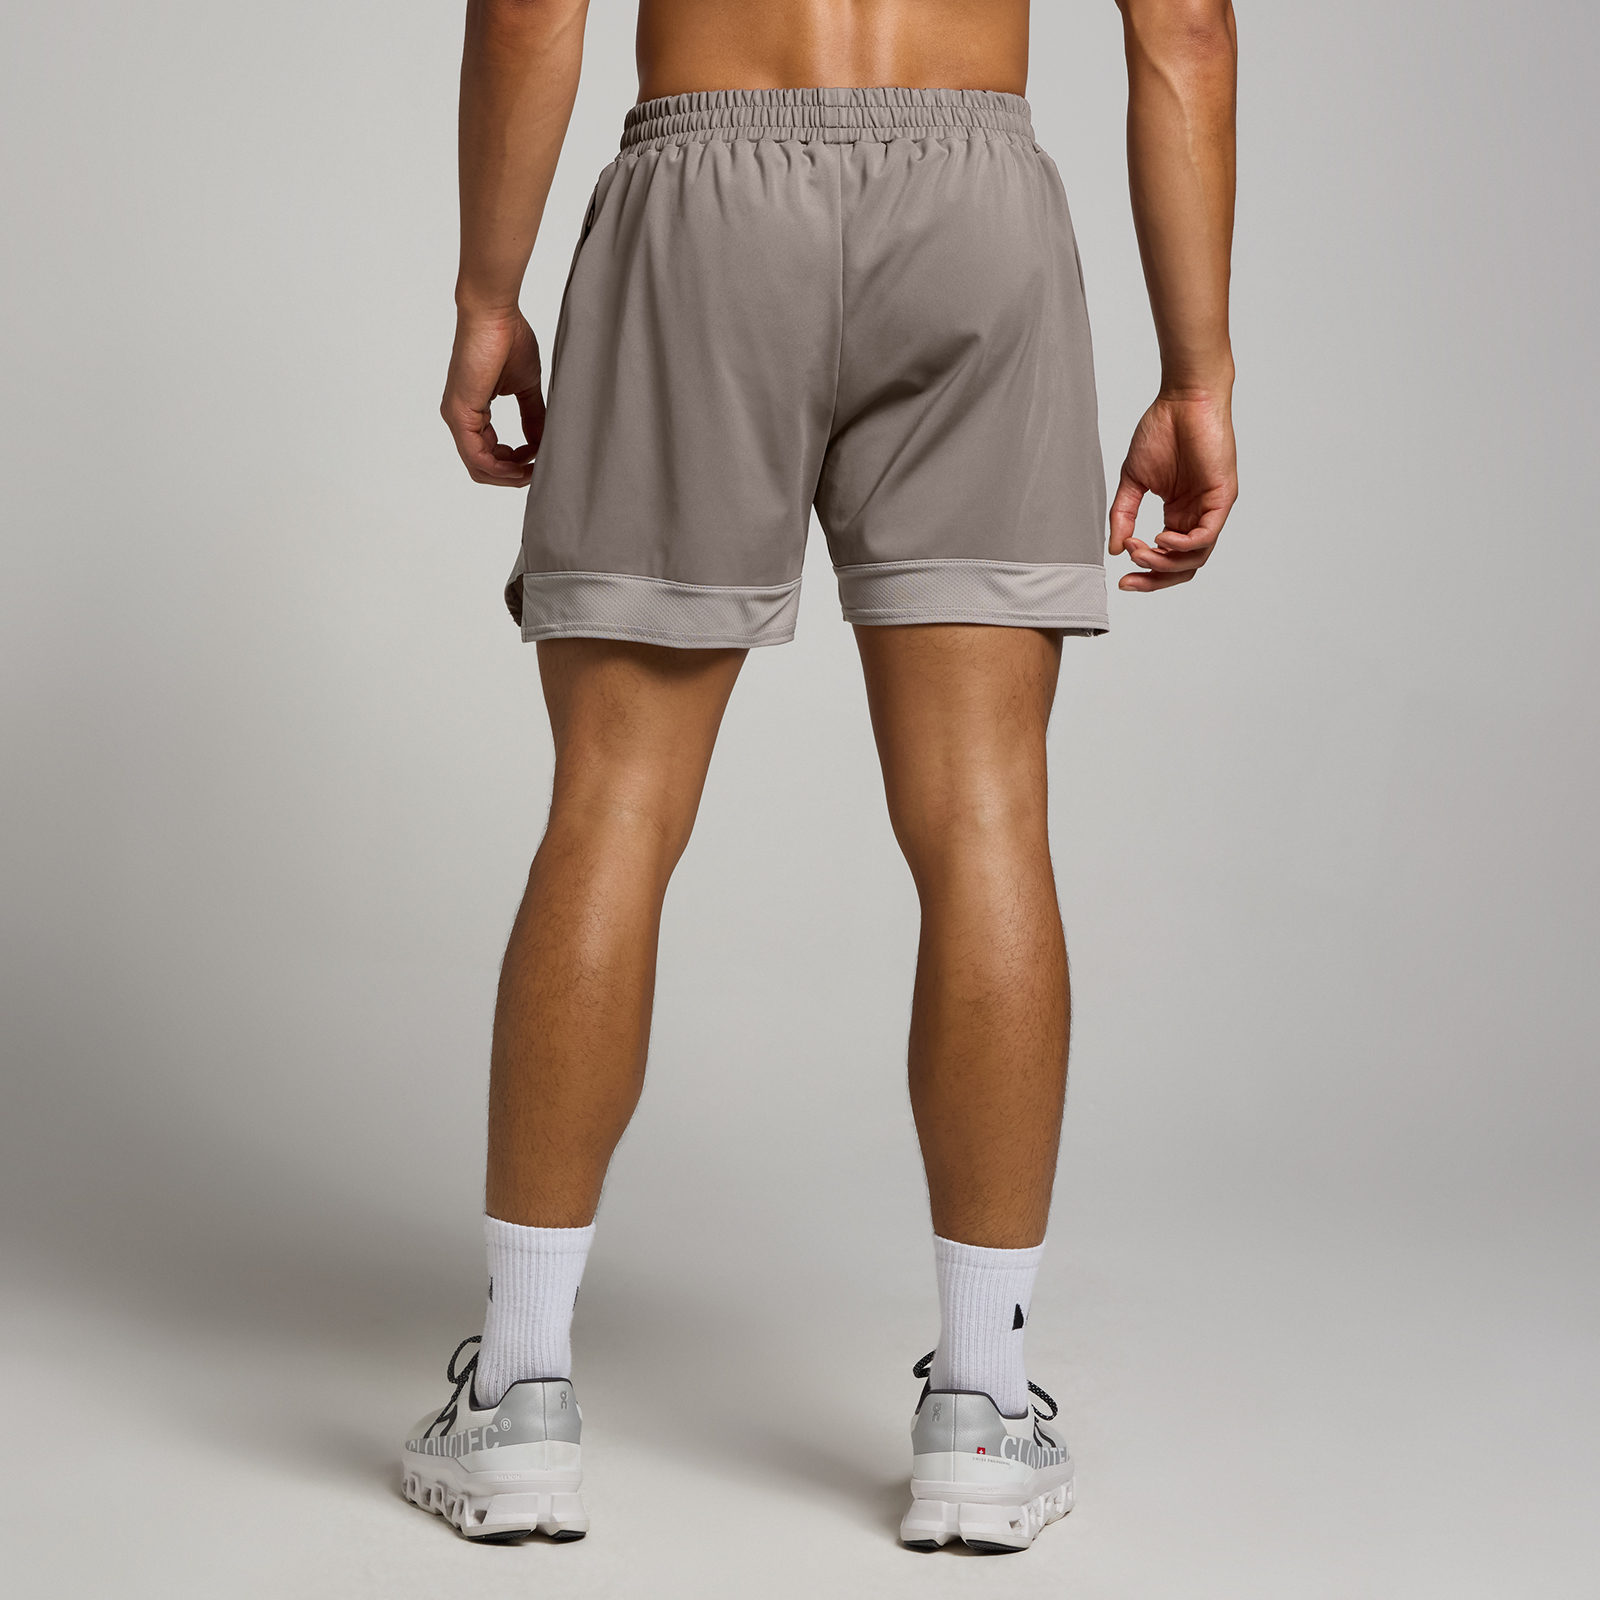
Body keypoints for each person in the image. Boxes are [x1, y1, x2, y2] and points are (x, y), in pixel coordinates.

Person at [400, 0, 1237, 1554]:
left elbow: (529, 6)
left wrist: (485, 292)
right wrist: (1201, 371)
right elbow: (1182, 26)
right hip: (975, 211)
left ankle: (515, 1399)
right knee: (986, 815)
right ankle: (982, 1412)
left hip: (704, 202)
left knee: (614, 804)